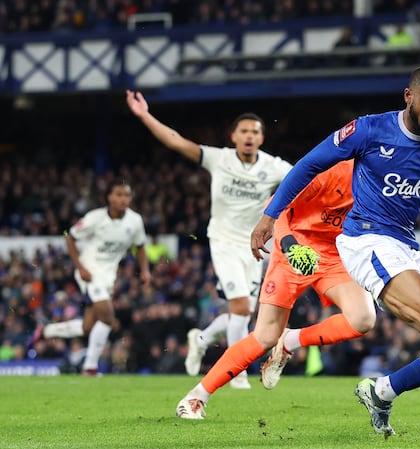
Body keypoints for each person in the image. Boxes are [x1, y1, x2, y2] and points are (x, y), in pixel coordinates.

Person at [251, 65, 420, 441]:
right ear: (408, 97)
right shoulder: (369, 130)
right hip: (364, 240)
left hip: (405, 245)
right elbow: (309, 165)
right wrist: (268, 218)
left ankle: (381, 390)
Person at [175, 160, 376, 419]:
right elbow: (278, 208)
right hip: (294, 248)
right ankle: (196, 396)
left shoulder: (385, 183)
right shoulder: (329, 172)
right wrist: (291, 246)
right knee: (265, 336)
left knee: (363, 319)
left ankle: (291, 339)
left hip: (335, 255)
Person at [126, 90, 293, 389]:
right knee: (241, 307)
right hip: (223, 240)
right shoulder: (219, 159)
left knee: (243, 311)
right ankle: (236, 370)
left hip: (255, 245)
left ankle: (201, 339)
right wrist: (144, 115)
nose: (249, 136)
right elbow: (176, 141)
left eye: (255, 132)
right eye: (244, 131)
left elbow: (305, 178)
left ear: (261, 139)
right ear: (233, 136)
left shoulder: (274, 167)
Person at [37, 179, 151, 375]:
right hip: (89, 271)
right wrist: (80, 267)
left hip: (108, 275)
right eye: (118, 194)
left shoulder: (135, 221)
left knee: (88, 326)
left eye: (127, 195)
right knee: (108, 317)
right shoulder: (94, 218)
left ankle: (47, 331)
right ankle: (90, 366)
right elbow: (70, 237)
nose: (123, 199)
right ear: (109, 197)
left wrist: (145, 270)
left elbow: (140, 246)